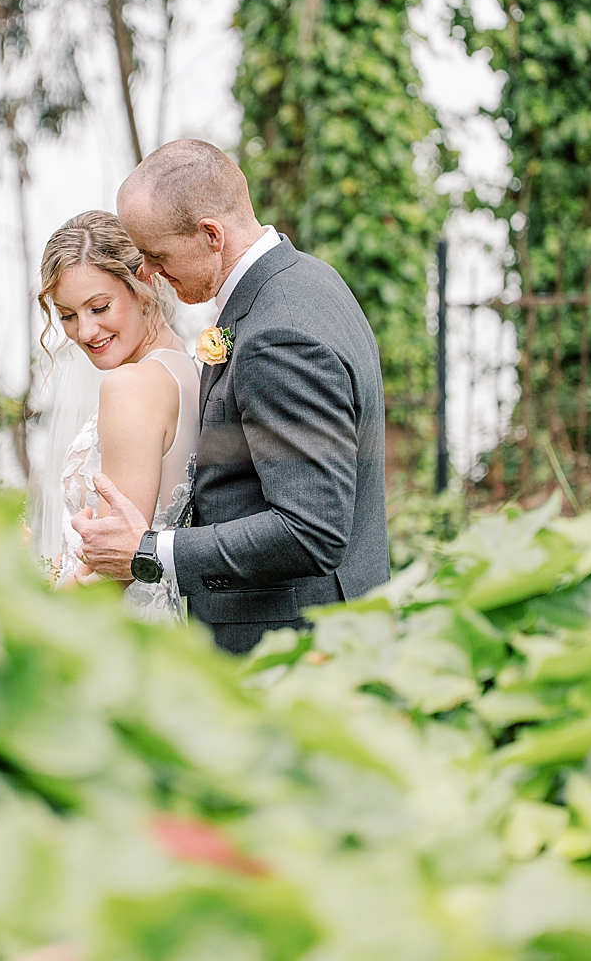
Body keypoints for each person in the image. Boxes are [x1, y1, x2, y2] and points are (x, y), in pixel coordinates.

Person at [69, 139, 391, 654]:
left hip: (297, 651)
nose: (148, 274)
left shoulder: (276, 332)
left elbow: (311, 529)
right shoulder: (307, 280)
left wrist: (150, 549)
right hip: (331, 630)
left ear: (210, 235)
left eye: (156, 256)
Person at [41, 210, 197, 626]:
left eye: (99, 306)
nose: (86, 332)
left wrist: (36, 622)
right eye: (68, 316)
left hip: (115, 632)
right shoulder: (185, 367)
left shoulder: (131, 386)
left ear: (143, 283)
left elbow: (115, 567)